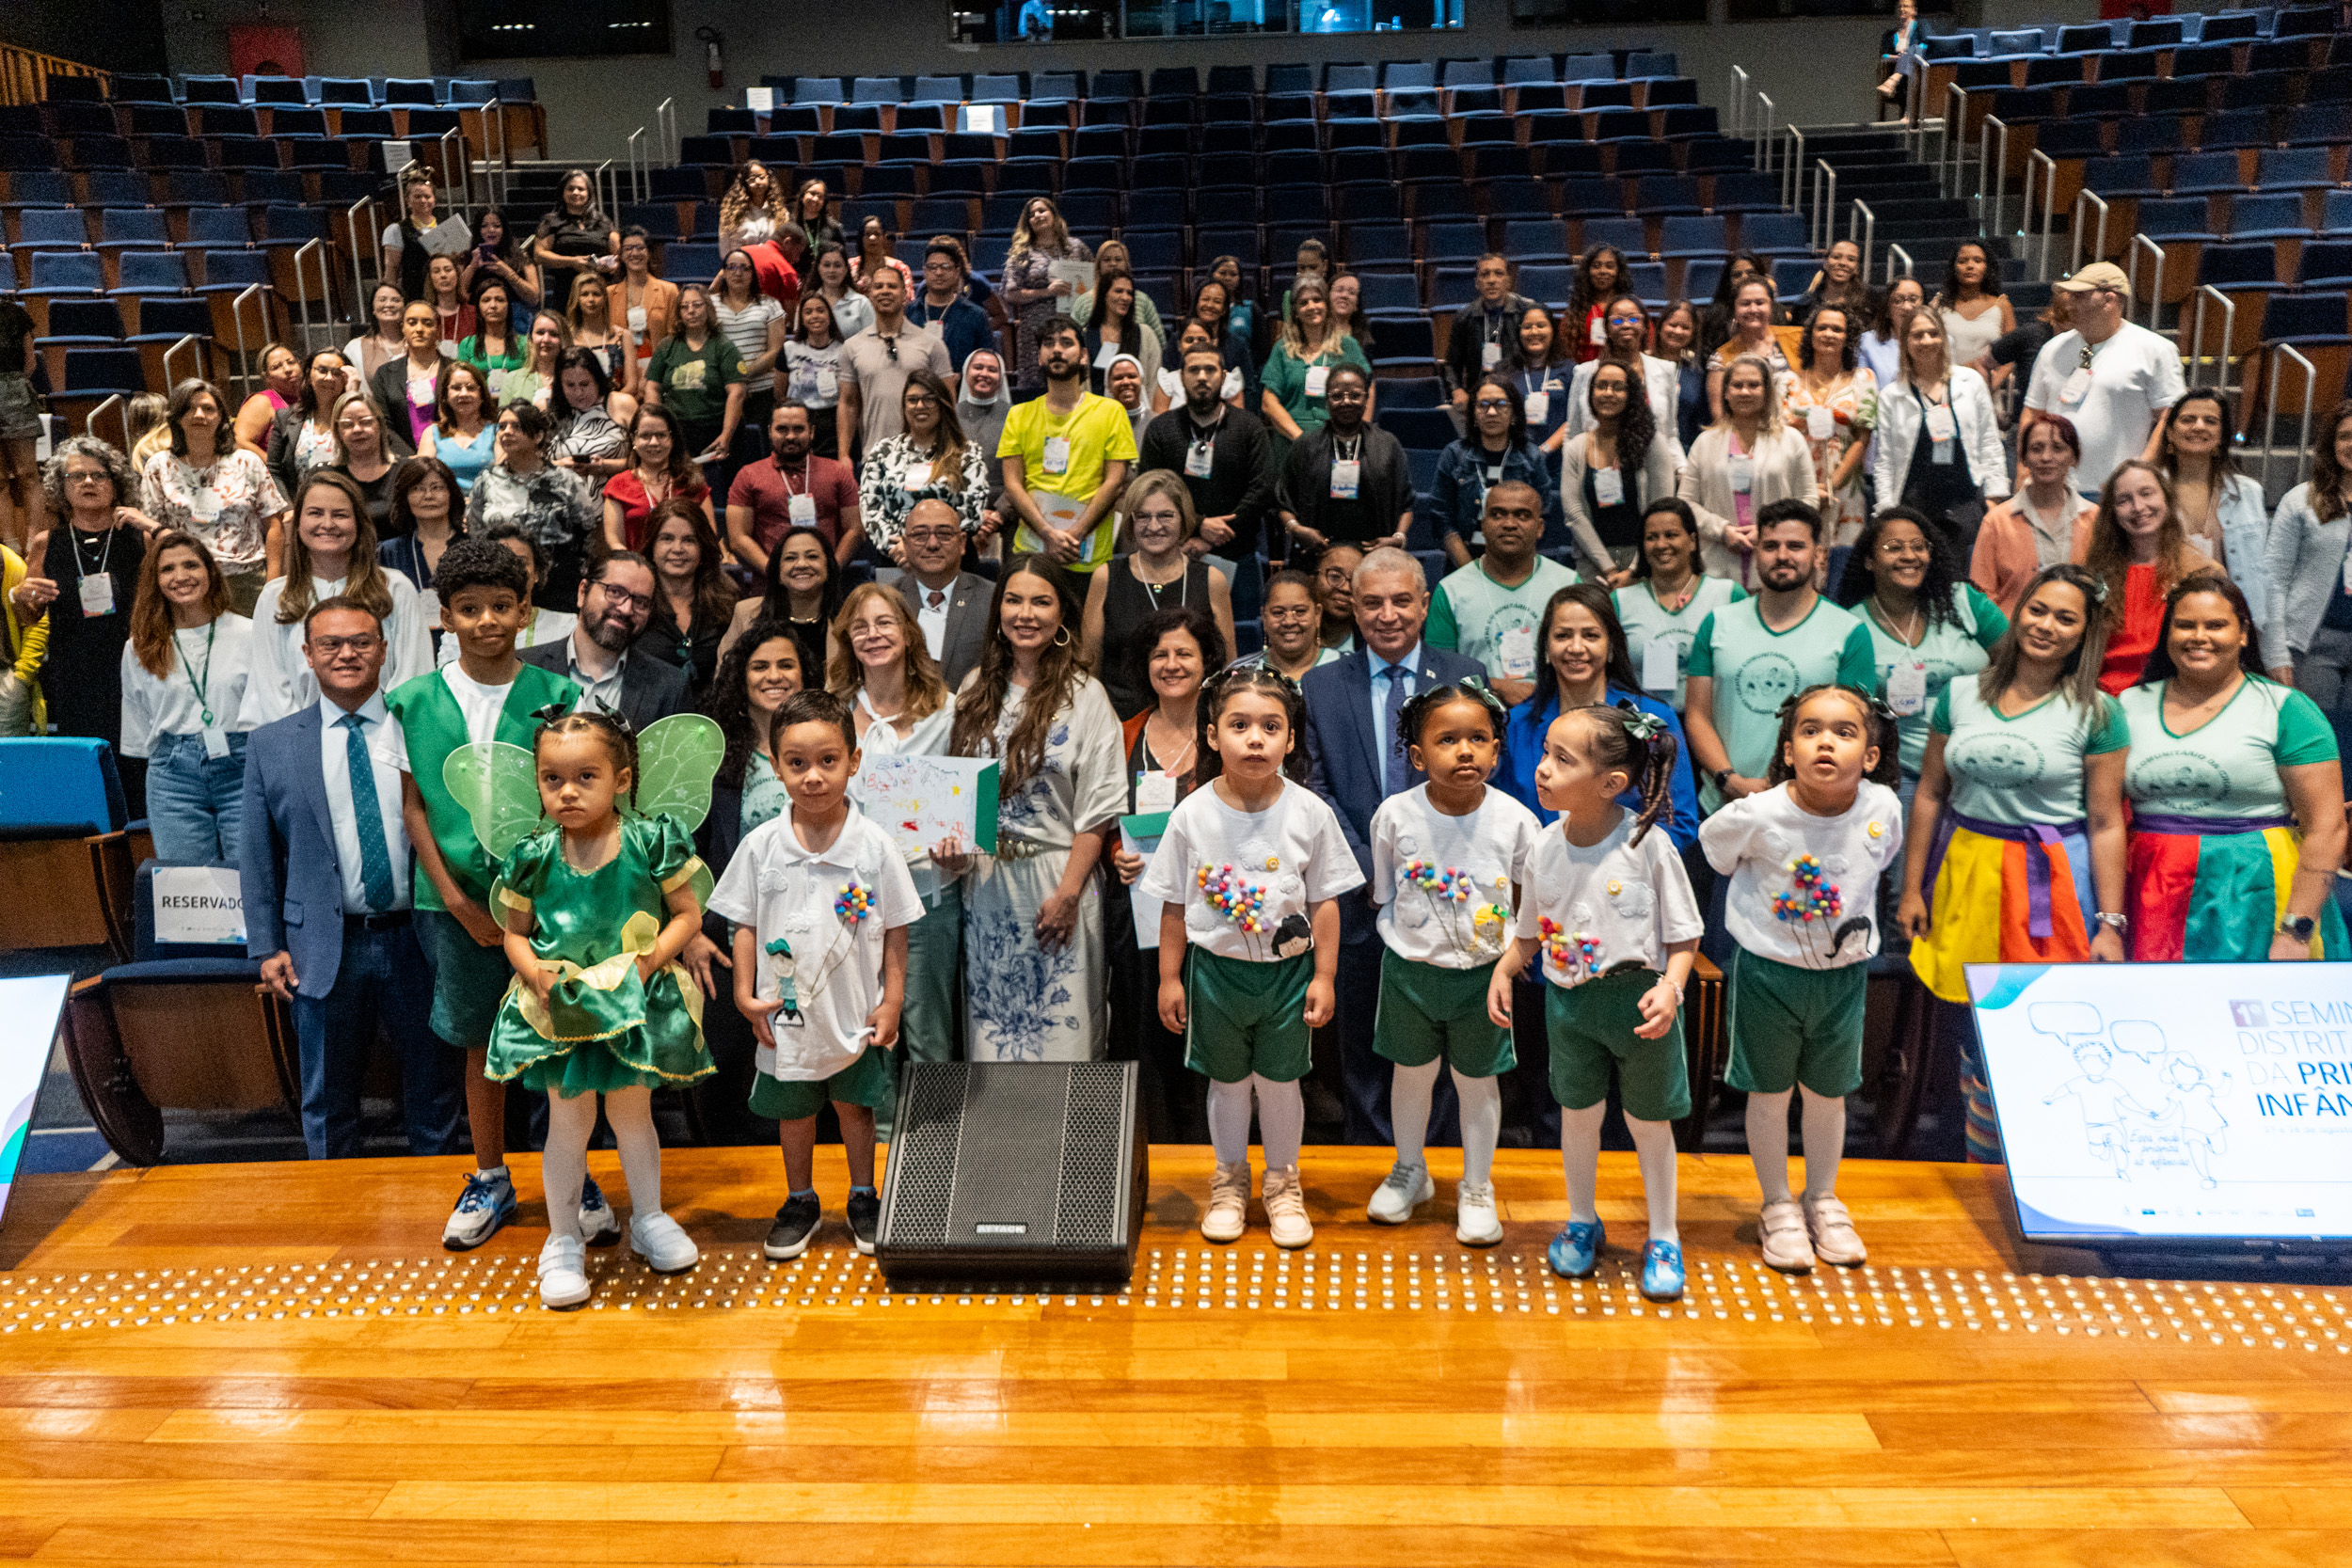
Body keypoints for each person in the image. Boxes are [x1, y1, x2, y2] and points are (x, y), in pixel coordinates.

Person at [1897, 562, 2127, 1164]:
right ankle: (1981, 1163)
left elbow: (2107, 822)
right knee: (1971, 1028)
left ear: (2085, 633)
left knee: (2034, 1031)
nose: (2046, 626)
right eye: (2037, 610)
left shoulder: (2099, 712)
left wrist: (2110, 922)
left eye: (2065, 618)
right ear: (2018, 612)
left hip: (2052, 881)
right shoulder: (1959, 694)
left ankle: (2036, 1164)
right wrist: (1912, 887)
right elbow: (1930, 793)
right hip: (1967, 872)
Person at [487, 706, 711, 1307]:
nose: (567, 792)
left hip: (631, 1001)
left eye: (586, 777)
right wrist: (533, 971)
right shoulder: (534, 854)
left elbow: (688, 915)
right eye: (552, 779)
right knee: (568, 1121)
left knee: (634, 1115)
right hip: (564, 1005)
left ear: (622, 779)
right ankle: (562, 1238)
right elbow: (514, 932)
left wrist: (652, 959)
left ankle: (649, 1217)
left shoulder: (650, 840)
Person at [1140, 661, 1357, 1245]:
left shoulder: (1310, 812)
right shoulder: (1192, 814)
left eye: (1270, 726)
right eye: (1239, 725)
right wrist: (1170, 978)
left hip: (1288, 977)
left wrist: (1325, 976)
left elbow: (1325, 902)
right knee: (1229, 1084)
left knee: (1281, 1084)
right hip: (1215, 976)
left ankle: (1283, 1183)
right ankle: (1229, 1181)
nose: (1255, 739)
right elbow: (1173, 905)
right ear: (1213, 736)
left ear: (1290, 738)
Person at [241, 594, 461, 1161]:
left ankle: (443, 1198)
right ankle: (331, 1206)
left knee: (435, 1092)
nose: (347, 654)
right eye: (331, 644)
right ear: (308, 654)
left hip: (419, 937)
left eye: (361, 642)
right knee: (327, 1101)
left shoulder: (421, 729)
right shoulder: (272, 744)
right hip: (322, 946)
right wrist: (266, 946)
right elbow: (259, 857)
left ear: (383, 651)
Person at [1490, 700, 1698, 1298]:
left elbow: (1684, 936)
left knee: (1649, 1124)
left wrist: (1670, 988)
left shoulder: (1648, 844)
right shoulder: (1543, 845)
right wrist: (1505, 969)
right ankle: (1582, 1219)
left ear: (1611, 783)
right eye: (1545, 753)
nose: (1543, 768)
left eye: (1563, 759)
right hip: (1570, 1006)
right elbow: (1529, 932)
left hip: (1640, 1007)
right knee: (1577, 1117)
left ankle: (1664, 1235)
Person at [1700, 683, 1904, 1273]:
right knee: (1768, 1093)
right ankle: (1777, 1205)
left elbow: (1879, 860)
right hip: (1768, 975)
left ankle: (1823, 1198)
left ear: (1870, 755)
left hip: (1843, 977)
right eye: (1810, 731)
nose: (1826, 743)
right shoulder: (1757, 813)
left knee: (1828, 1093)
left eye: (1844, 732)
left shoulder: (1883, 808)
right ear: (1788, 751)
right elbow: (1716, 851)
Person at [708, 687, 917, 1259]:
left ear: (854, 761)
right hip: (786, 1020)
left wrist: (892, 1000)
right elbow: (744, 923)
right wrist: (744, 993)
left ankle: (863, 1195)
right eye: (797, 763)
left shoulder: (875, 846)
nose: (813, 777)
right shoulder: (760, 846)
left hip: (854, 1015)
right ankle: (800, 1199)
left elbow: (897, 928)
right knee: (794, 1111)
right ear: (776, 766)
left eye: (828, 761)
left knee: (856, 1108)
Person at [1301, 546, 1485, 1145]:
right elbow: (1316, 788)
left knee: (1443, 1043)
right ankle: (1372, 1159)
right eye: (1372, 603)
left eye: (1401, 600)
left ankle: (1439, 1159)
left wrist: (1423, 869)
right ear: (1353, 609)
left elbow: (1477, 779)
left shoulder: (1463, 677)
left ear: (1424, 604)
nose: (1387, 615)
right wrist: (1371, 869)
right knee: (1363, 1042)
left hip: (1447, 892)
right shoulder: (1322, 685)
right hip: (1359, 895)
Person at [1356, 681, 1538, 1243]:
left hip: (1484, 978)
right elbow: (1384, 892)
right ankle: (1409, 1170)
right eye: (1447, 739)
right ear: (1417, 756)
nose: (1465, 751)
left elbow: (1528, 898)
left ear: (1496, 751)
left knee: (1477, 1082)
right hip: (1410, 972)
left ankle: (1477, 1186)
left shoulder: (1515, 820)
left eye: (1478, 739)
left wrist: (1511, 955)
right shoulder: (1395, 815)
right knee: (1410, 1075)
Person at [943, 556, 1125, 1061]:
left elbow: (1099, 809)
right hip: (987, 887)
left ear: (1061, 614)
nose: (1025, 614)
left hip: (1059, 883)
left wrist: (1067, 895)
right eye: (1014, 600)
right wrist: (953, 855)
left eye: (1041, 602)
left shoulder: (1086, 696)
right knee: (992, 1042)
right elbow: (961, 795)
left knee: (1063, 1038)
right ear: (997, 611)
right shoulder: (974, 688)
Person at [2119, 573, 2348, 962]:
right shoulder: (2126, 706)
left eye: (2216, 625)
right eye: (2185, 625)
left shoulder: (2287, 709)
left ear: (2243, 634)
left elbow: (2328, 828)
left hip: (2261, 896)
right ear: (2167, 633)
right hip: (2151, 891)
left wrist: (2297, 929)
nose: (2199, 636)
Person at [831, 584, 963, 1075]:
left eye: (884, 623)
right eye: (860, 626)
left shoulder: (949, 711)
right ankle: (879, 1123)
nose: (873, 634)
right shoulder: (831, 711)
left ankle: (931, 1126)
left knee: (929, 1032)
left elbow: (966, 801)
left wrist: (960, 853)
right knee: (865, 1029)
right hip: (853, 895)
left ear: (909, 632)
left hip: (928, 893)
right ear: (848, 640)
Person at [1102, 606, 1218, 1144]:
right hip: (1138, 910)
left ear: (1206, 661)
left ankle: (1207, 1148)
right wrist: (1114, 853)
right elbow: (1103, 816)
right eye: (1160, 655)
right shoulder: (1124, 734)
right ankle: (1152, 1148)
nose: (1171, 664)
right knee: (1143, 1027)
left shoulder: (1223, 734)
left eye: (1184, 654)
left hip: (1213, 911)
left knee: (1207, 1031)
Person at [1682, 499, 1877, 812]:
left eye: (1795, 546)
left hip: (1811, 808)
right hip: (1722, 805)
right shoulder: (1717, 623)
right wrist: (1729, 780)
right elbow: (1697, 716)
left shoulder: (1850, 632)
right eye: (1770, 546)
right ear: (1756, 552)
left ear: (1819, 555)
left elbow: (1853, 730)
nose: (1782, 555)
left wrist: (1798, 791)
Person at [1496, 581, 1698, 849]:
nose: (1576, 647)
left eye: (1591, 635)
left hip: (1629, 870)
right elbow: (1504, 821)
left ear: (1611, 646)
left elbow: (1679, 821)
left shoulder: (1653, 718)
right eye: (1563, 636)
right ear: (1546, 647)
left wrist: (1617, 863)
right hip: (1539, 869)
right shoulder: (1517, 725)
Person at [1834, 505, 2009, 795]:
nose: (1909, 556)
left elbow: (2017, 664)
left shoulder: (1964, 601)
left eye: (1918, 546)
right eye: (1894, 547)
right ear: (1869, 561)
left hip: (1981, 765)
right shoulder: (1851, 626)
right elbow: (1850, 712)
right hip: (1900, 776)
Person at [248, 471, 433, 724]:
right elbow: (270, 688)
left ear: (358, 523)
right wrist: (303, 737)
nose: (327, 524)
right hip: (302, 737)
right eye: (315, 513)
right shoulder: (274, 597)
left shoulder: (396, 589)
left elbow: (413, 676)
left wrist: (382, 736)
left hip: (385, 735)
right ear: (298, 522)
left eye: (340, 514)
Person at [26, 439, 154, 802]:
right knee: (90, 773)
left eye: (99, 475)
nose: (87, 482)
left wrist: (155, 526)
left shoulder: (139, 537)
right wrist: (22, 598)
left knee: (140, 768)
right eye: (76, 476)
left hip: (136, 667)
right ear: (61, 486)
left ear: (116, 483)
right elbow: (29, 616)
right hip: (75, 673)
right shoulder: (46, 543)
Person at [119, 531, 256, 861]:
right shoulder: (139, 646)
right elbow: (138, 718)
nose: (180, 576)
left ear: (211, 571)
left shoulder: (249, 633)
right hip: (173, 776)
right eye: (167, 569)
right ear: (155, 581)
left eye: (191, 565)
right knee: (186, 882)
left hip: (242, 766)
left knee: (252, 876)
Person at [1080, 468, 1238, 719]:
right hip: (1119, 722)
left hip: (1194, 720)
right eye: (1143, 516)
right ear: (1131, 521)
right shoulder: (1106, 577)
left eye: (1165, 516)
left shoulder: (1212, 581)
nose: (1153, 526)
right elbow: (1089, 669)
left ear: (1183, 519)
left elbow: (1227, 669)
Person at [999, 317, 1136, 597]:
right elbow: (1012, 484)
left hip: (1087, 554)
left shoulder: (1111, 412)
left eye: (1066, 343)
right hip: (1032, 551)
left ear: (1083, 355)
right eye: (1048, 344)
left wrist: (1075, 534)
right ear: (1039, 357)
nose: (1057, 350)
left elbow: (1115, 482)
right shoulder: (1018, 414)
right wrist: (1047, 534)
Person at [2023, 263, 2185, 496]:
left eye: (2079, 295)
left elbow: (2170, 416)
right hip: (2054, 488)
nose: (2068, 302)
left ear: (2109, 300)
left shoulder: (2155, 349)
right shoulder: (2053, 349)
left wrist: (2141, 471)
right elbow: (2032, 411)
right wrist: (2023, 469)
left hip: (2117, 491)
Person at [140, 378, 290, 614]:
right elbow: (151, 531)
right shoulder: (159, 466)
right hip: (186, 582)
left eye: (208, 408)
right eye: (190, 408)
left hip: (247, 580)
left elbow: (273, 524)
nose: (199, 415)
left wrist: (272, 583)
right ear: (177, 416)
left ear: (220, 417)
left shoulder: (246, 462)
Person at [1426, 482, 1579, 705]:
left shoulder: (1568, 585)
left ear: (1540, 528)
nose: (1509, 524)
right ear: (1483, 525)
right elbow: (1437, 673)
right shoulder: (1451, 591)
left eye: (1522, 515)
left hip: (1554, 712)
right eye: (1497, 514)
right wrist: (1496, 686)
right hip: (1476, 715)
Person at [1676, 356, 1819, 591]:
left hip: (1777, 562)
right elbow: (1686, 503)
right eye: (1737, 385)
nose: (1745, 392)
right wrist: (1722, 530)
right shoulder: (1705, 442)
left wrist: (1768, 530)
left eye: (1754, 385)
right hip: (1717, 562)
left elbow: (1809, 500)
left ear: (1767, 392)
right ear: (1726, 392)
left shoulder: (1792, 440)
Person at [1870, 309, 2007, 546]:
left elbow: (1989, 442)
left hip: (1965, 501)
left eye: (1933, 333)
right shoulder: (1891, 395)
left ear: (1944, 337)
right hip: (1913, 506)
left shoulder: (1971, 382)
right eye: (1918, 335)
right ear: (1905, 342)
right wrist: (1886, 511)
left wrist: (1994, 498)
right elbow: (1885, 460)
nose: (1926, 341)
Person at [2159, 388, 2279, 655]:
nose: (2199, 426)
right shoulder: (2151, 492)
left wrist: (2274, 652)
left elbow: (2265, 574)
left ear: (2222, 435)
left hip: (2233, 626)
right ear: (2169, 433)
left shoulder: (2248, 493)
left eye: (2210, 421)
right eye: (2188, 419)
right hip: (2166, 623)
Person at [2263, 401, 2352, 752]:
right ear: (2332, 444)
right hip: (2313, 648)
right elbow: (2273, 580)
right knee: (2313, 745)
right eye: (2345, 436)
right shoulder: (2300, 500)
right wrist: (2276, 653)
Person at [1138, 343, 1277, 568]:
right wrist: (1198, 525)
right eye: (1194, 370)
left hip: (1238, 552)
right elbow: (1150, 488)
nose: (1202, 377)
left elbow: (1262, 489)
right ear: (1181, 377)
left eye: (1210, 370)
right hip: (1175, 550)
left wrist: (1214, 537)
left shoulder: (1250, 427)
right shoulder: (1160, 429)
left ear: (1223, 377)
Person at [520, 549, 691, 731]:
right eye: (615, 592)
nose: (626, 609)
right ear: (583, 592)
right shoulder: (524, 668)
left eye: (641, 602)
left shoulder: (670, 687)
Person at [2080, 459, 2211, 695]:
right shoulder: (2094, 577)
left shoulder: (2202, 572)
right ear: (2112, 512)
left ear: (2166, 499)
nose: (2138, 507)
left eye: (2146, 493)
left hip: (2174, 699)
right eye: (2124, 500)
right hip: (2106, 699)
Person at [1614, 498, 1747, 713]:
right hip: (1641, 723)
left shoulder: (1729, 595)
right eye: (1651, 537)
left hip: (1713, 721)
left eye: (1671, 535)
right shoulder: (1620, 601)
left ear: (1692, 541)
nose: (1661, 545)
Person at [463, 401, 598, 610]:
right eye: (502, 427)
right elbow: (476, 532)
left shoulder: (566, 481)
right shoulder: (486, 480)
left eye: (516, 426)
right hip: (500, 580)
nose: (507, 432)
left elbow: (587, 534)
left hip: (558, 583)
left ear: (538, 436)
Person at [1561, 359, 1682, 579]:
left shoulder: (1651, 443)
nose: (1608, 393)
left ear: (1631, 394)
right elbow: (1574, 513)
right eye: (1601, 386)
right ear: (1591, 393)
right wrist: (1608, 567)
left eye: (1618, 387)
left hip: (1646, 563)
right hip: (1592, 564)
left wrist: (1633, 570)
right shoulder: (1576, 447)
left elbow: (1661, 510)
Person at [1278, 365, 1410, 562]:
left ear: (1366, 398)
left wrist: (1398, 538)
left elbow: (1406, 504)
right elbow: (1283, 501)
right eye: (1337, 396)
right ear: (1327, 400)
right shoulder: (1305, 446)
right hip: (1317, 556)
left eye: (1355, 395)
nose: (1346, 401)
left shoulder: (1387, 444)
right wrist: (1296, 529)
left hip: (1374, 557)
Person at [1970, 414, 2095, 614]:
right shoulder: (1997, 522)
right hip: (2010, 631)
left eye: (2058, 448)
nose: (2046, 457)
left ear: (2074, 457)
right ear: (2024, 458)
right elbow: (1981, 595)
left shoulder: (2095, 519)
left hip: (2077, 630)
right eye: (2036, 449)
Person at [1432, 376, 1561, 570]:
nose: (1491, 412)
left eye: (1500, 404)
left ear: (1514, 413)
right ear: (1474, 414)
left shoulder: (1532, 457)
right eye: (1483, 405)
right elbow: (1441, 517)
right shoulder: (1454, 455)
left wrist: (1508, 567)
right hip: (1463, 565)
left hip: (1516, 566)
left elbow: (1542, 515)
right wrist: (1468, 570)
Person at [859, 370, 991, 558]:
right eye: (912, 400)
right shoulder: (883, 452)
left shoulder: (967, 453)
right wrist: (900, 548)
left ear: (941, 404)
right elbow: (870, 508)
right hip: (897, 557)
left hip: (949, 557)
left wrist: (929, 545)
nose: (920, 406)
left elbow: (972, 511)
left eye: (929, 399)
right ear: (904, 406)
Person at [1778, 304, 1878, 551]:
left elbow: (1862, 439)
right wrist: (1809, 490)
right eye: (1822, 328)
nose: (1829, 334)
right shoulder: (1786, 381)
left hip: (1845, 489)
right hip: (1795, 486)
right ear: (1810, 334)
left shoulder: (1863, 379)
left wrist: (1832, 484)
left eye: (1837, 329)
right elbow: (1778, 439)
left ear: (1847, 337)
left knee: (1841, 561)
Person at [726, 403, 861, 578]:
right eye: (782, 429)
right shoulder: (748, 476)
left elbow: (855, 530)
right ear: (770, 432)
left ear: (811, 432)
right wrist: (776, 574)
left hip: (827, 583)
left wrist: (829, 572)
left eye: (798, 429)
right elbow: (738, 538)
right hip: (770, 584)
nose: (790, 436)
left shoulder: (838, 473)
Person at [838, 268, 954, 468]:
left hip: (925, 456)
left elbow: (948, 400)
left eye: (892, 286)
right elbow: (848, 403)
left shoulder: (932, 344)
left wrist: (949, 448)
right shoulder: (852, 346)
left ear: (904, 294)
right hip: (875, 457)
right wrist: (843, 454)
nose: (885, 291)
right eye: (878, 286)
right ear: (870, 294)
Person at [877, 501, 992, 689]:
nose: (932, 544)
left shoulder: (992, 599)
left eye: (944, 534)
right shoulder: (884, 602)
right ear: (905, 543)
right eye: (920, 535)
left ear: (962, 543)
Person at [635, 499, 734, 705]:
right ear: (652, 547)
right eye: (667, 539)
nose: (678, 548)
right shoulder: (634, 603)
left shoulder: (728, 602)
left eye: (689, 540)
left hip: (714, 717)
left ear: (702, 548)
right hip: (649, 716)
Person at [1261, 278, 1372, 460]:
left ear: (1327, 305)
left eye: (1317, 300)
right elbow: (1268, 401)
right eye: (1304, 302)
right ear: (1296, 312)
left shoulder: (1347, 345)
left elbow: (1368, 387)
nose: (1311, 306)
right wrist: (1302, 440)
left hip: (1338, 441)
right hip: (1291, 444)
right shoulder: (1282, 348)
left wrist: (1361, 433)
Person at [644, 284, 748, 472]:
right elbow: (652, 386)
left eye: (697, 305)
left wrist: (726, 434)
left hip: (716, 429)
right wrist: (656, 424)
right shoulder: (667, 346)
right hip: (677, 431)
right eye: (684, 307)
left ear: (708, 308)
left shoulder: (723, 346)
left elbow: (737, 392)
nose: (691, 311)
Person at [723, 524, 842, 681]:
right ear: (778, 572)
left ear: (829, 567)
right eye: (790, 558)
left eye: (812, 556)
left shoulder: (847, 620)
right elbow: (726, 681)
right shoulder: (745, 614)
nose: (801, 564)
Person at [1564, 295, 1681, 451]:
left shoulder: (1665, 370)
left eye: (1633, 319)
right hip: (1597, 460)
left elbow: (1671, 435)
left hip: (1653, 461)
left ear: (1645, 326)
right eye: (1617, 321)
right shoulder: (1584, 372)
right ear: (1606, 329)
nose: (1626, 325)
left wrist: (1680, 465)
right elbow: (1573, 434)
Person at [1001, 197, 1091, 388]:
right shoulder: (1021, 253)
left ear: (1054, 215)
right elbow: (1010, 293)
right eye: (1032, 214)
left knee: (1074, 376)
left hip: (1073, 322)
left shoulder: (1076, 247)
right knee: (1037, 381)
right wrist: (1046, 292)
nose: (1037, 216)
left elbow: (1095, 278)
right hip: (1035, 327)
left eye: (1042, 211)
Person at [601, 405, 711, 556]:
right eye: (645, 436)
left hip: (684, 565)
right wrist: (636, 566)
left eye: (661, 435)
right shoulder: (617, 485)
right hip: (637, 567)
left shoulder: (692, 482)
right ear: (633, 439)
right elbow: (614, 542)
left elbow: (709, 536)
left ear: (672, 438)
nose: (654, 442)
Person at [711, 250, 787, 453]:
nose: (738, 273)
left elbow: (776, 350)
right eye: (732, 267)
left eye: (744, 268)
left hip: (761, 392)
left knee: (760, 452)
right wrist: (731, 382)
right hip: (721, 392)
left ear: (753, 274)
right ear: (724, 273)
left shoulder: (769, 304)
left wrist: (741, 376)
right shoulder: (710, 305)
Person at [1446, 254, 1537, 404]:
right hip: (1478, 396)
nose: (1491, 280)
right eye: (1485, 274)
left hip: (1519, 394)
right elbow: (1451, 365)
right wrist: (1457, 390)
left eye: (1498, 273)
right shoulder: (1464, 317)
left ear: (1508, 281)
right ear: (1477, 283)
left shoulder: (1527, 311)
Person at [262, 348, 352, 500]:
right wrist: (288, 507)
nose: (329, 378)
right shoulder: (286, 417)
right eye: (322, 371)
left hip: (349, 505)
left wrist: (353, 393)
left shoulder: (356, 419)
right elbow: (274, 470)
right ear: (309, 375)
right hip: (301, 508)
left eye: (337, 373)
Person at [370, 300, 455, 460]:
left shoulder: (455, 371)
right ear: (403, 328)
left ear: (438, 329)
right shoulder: (385, 374)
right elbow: (383, 424)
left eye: (427, 323)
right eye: (412, 322)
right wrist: (411, 460)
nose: (419, 329)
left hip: (448, 457)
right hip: (402, 461)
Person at [718, 159, 802, 309]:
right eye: (752, 179)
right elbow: (726, 250)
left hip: (770, 275)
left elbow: (785, 249)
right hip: (740, 273)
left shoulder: (781, 212)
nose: (757, 182)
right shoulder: (731, 214)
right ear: (744, 183)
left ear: (768, 178)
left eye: (761, 177)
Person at [377, 456, 462, 603]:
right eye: (417, 489)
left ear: (451, 494)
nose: (428, 496)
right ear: (405, 497)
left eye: (437, 487)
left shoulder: (475, 549)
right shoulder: (388, 552)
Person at [906, 235, 993, 377]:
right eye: (932, 267)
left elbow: (987, 362)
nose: (939, 273)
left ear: (957, 271)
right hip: (917, 386)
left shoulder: (976, 315)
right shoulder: (909, 312)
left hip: (962, 387)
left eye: (945, 267)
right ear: (925, 271)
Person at [382, 168, 472, 304]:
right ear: (408, 201)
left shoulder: (449, 229)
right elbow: (391, 272)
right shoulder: (397, 230)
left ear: (434, 199)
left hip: (444, 300)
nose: (423, 200)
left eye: (427, 196)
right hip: (414, 298)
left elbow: (459, 270)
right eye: (417, 197)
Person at [1706, 277, 1789, 422]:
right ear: (1734, 309)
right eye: (1745, 304)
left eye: (1760, 303)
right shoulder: (1720, 359)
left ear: (1771, 306)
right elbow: (1720, 417)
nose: (1753, 309)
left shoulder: (1797, 340)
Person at [1241, 568, 1343, 682]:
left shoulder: (1347, 667)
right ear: (1264, 617)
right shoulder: (1240, 673)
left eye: (1300, 611)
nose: (1289, 622)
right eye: (1278, 612)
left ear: (1317, 614)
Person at [563, 272, 641, 419]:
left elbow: (632, 385)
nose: (591, 299)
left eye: (596, 294)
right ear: (576, 299)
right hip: (578, 409)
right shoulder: (567, 339)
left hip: (615, 408)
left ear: (605, 298)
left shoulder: (623, 336)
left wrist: (605, 404)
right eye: (584, 294)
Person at [545, 350, 628, 483]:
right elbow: (530, 464)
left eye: (584, 384)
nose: (578, 392)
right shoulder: (546, 409)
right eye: (570, 385)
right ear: (560, 385)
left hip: (614, 490)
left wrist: (606, 466)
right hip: (563, 491)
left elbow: (645, 459)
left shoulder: (621, 403)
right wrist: (558, 465)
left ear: (597, 380)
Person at [1080, 267, 1162, 402]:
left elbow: (1153, 383)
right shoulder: (1086, 335)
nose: (1125, 297)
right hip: (1096, 410)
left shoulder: (1146, 335)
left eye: (1129, 293)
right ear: (1104, 294)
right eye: (1118, 291)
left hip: (1134, 412)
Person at [419, 360, 499, 499]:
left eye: (471, 388)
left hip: (489, 504)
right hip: (446, 506)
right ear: (445, 396)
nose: (463, 393)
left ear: (482, 395)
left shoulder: (497, 431)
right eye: (456, 388)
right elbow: (422, 479)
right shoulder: (432, 433)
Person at [323, 393, 398, 533]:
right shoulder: (326, 477)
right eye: (347, 424)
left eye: (365, 422)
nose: (357, 429)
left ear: (380, 425)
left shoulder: (405, 472)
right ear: (337, 432)